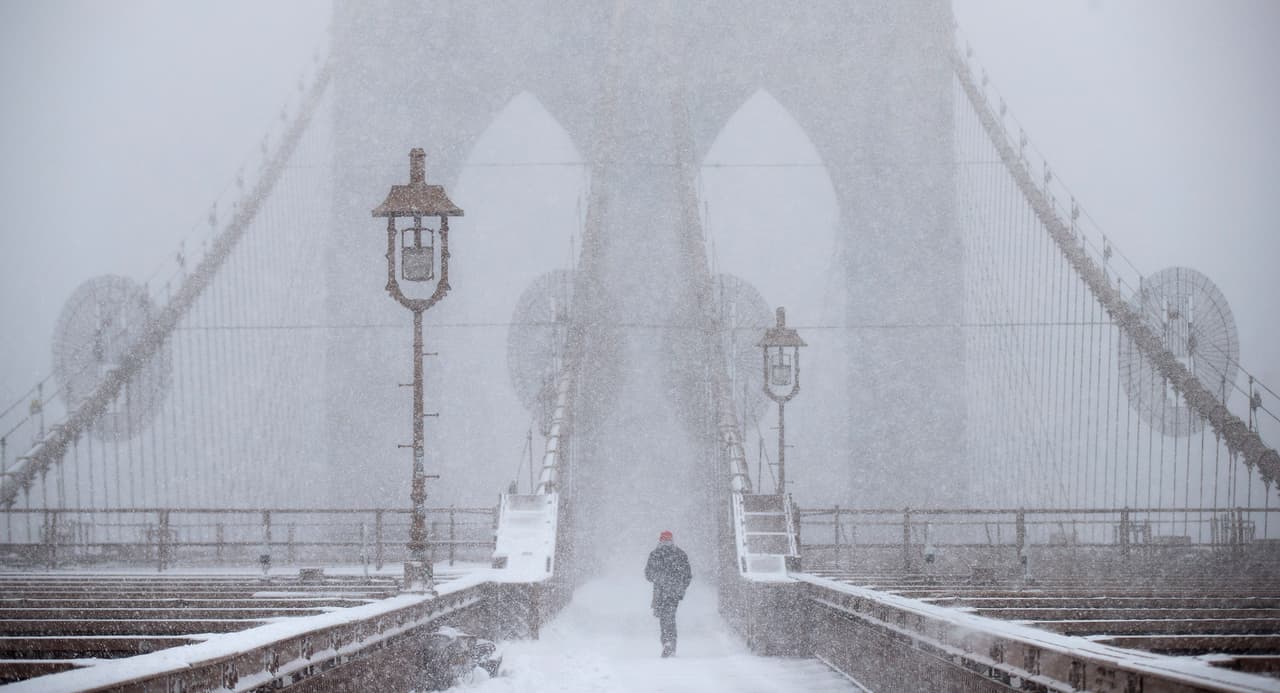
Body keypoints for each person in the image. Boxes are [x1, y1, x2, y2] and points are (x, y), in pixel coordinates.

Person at [644, 530, 692, 657]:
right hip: (673, 593)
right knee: (669, 617)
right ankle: (670, 643)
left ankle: (667, 643)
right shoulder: (680, 554)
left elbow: (648, 574)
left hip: (660, 592)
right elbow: (687, 575)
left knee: (665, 619)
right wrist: (680, 588)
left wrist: (659, 579)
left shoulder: (655, 554)